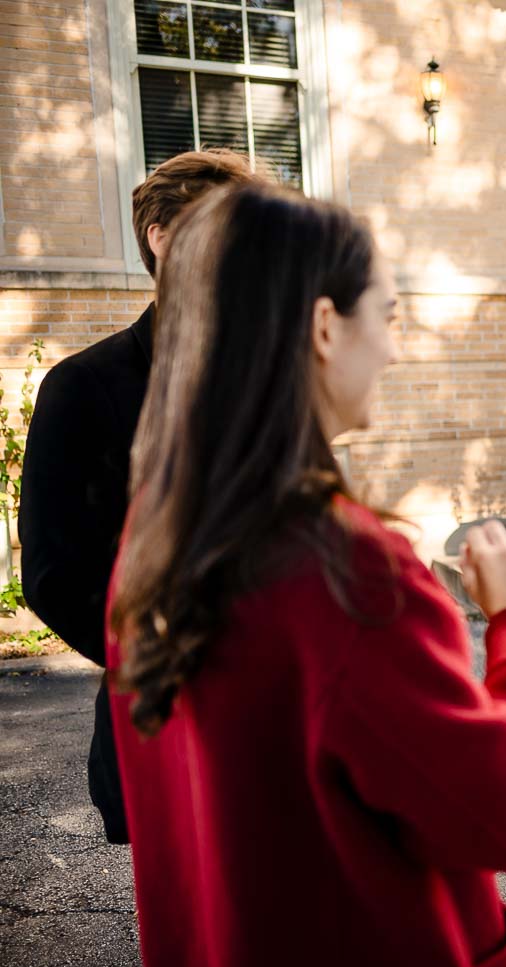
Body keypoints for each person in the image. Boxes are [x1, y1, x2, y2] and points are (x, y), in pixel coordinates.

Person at [105, 183, 506, 967]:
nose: (396, 349)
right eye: (390, 316)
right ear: (326, 327)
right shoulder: (342, 569)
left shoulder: (156, 532)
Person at [19, 148, 256, 844]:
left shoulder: (271, 380)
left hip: (288, 725)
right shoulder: (83, 389)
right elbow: (56, 576)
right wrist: (186, 664)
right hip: (165, 724)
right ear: (162, 236)